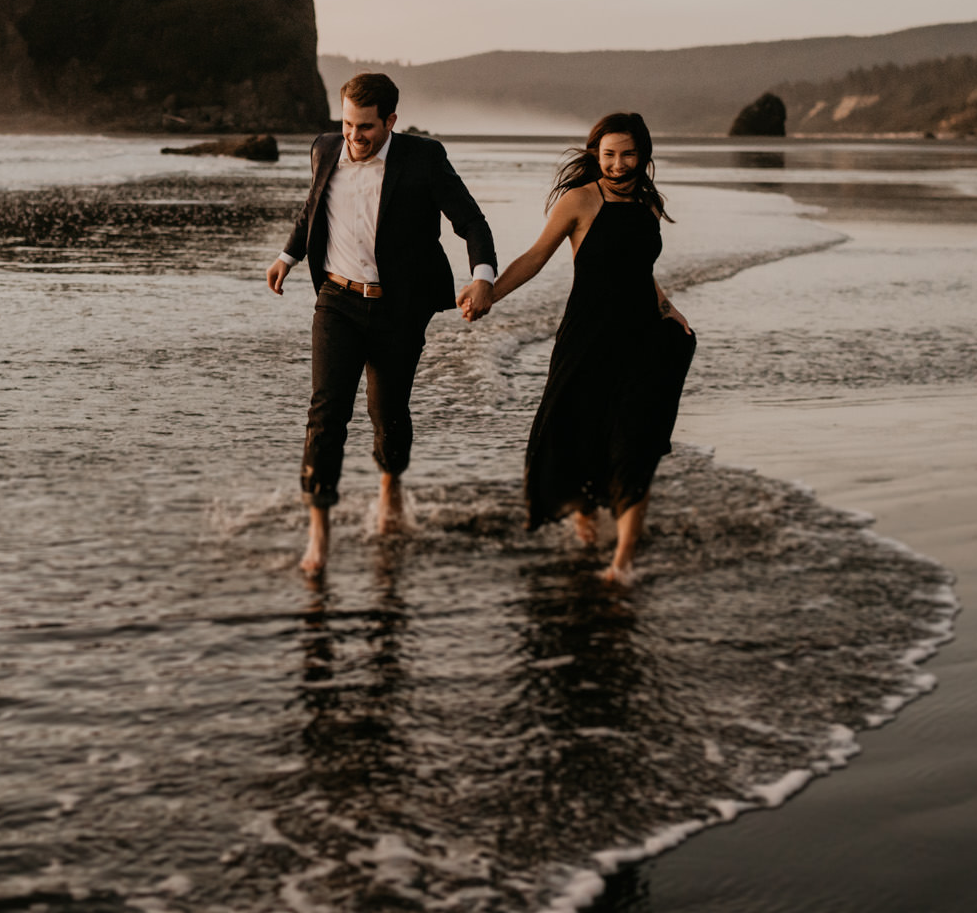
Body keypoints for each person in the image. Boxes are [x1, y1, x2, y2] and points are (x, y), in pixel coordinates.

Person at [267, 73, 498, 575]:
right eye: (348, 123)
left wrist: (482, 278)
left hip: (398, 307)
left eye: (366, 127)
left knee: (387, 413)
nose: (354, 136)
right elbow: (315, 203)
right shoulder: (325, 148)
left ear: (391, 121)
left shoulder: (423, 159)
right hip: (336, 300)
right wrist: (287, 254)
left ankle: (390, 486)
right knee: (326, 416)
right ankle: (318, 536)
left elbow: (471, 221)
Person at [488, 112, 695, 583]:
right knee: (571, 434)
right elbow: (536, 258)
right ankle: (585, 524)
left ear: (642, 156)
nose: (618, 164)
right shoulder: (579, 201)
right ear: (594, 154)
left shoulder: (648, 203)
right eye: (608, 155)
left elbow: (639, 269)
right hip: (587, 339)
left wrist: (668, 308)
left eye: (628, 154)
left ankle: (622, 560)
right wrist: (490, 293)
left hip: (644, 340)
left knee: (635, 444)